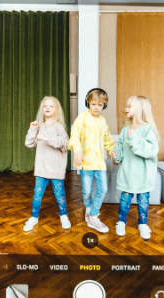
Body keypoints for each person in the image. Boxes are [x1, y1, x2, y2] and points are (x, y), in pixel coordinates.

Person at [112, 96, 160, 240]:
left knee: (143, 202)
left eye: (129, 106)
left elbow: (151, 150)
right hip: (128, 173)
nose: (126, 109)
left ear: (140, 110)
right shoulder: (125, 129)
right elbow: (121, 147)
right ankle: (121, 221)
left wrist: (134, 138)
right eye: (126, 106)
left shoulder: (147, 129)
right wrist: (116, 154)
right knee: (124, 200)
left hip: (143, 175)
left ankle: (143, 224)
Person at [68, 88, 115, 233]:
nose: (96, 107)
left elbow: (107, 139)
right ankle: (88, 207)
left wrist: (112, 151)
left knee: (103, 189)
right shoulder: (82, 117)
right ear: (87, 103)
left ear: (104, 105)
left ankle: (93, 215)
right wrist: (77, 149)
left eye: (100, 105)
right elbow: (75, 134)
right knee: (87, 191)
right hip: (86, 163)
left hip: (99, 162)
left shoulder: (103, 121)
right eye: (93, 104)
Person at [23, 96, 70, 231]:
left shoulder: (58, 126)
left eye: (51, 106)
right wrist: (32, 129)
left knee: (60, 195)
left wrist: (46, 138)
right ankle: (34, 217)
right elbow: (29, 143)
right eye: (45, 106)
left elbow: (64, 143)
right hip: (42, 168)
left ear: (56, 110)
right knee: (37, 195)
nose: (47, 108)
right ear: (42, 109)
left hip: (56, 168)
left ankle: (63, 216)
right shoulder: (39, 126)